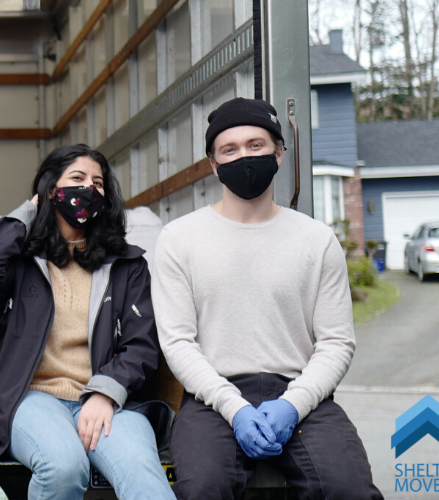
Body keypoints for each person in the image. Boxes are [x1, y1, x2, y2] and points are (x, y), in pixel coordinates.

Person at [150, 97, 381, 500]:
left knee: (348, 488)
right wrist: (234, 408)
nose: (244, 156)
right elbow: (178, 343)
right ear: (213, 164)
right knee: (204, 488)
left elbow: (336, 341)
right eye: (230, 149)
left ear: (279, 152)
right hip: (212, 399)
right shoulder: (178, 239)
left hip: (302, 394)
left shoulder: (316, 240)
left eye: (255, 145)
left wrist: (294, 405)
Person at [0, 145, 175, 500]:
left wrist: (105, 392)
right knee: (64, 467)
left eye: (98, 183)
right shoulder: (22, 260)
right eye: (77, 178)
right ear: (51, 190)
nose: (90, 188)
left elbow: (142, 346)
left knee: (145, 477)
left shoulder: (127, 265)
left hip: (106, 402)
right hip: (31, 400)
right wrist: (29, 210)